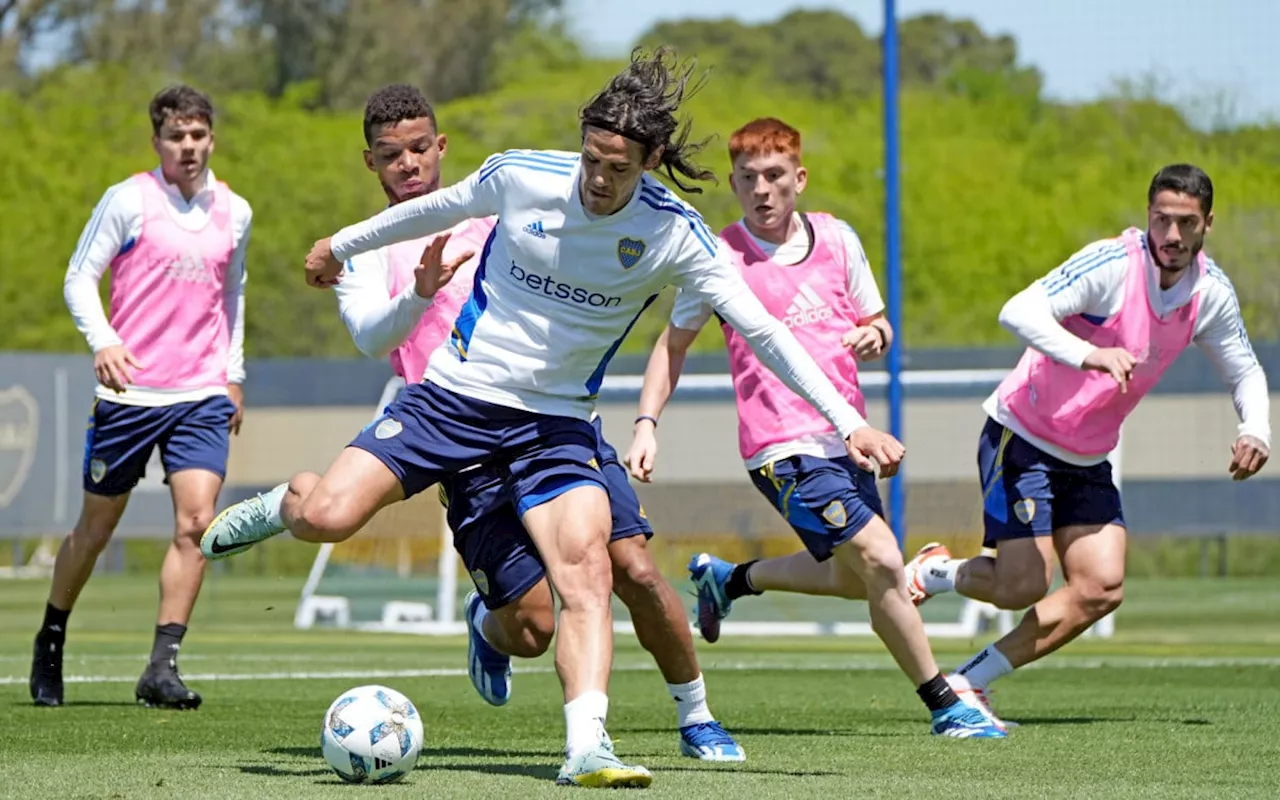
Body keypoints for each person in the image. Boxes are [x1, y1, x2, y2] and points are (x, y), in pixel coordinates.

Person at [202, 47, 902, 788]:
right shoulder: (523, 177)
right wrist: (337, 246)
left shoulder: (677, 234)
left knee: (589, 572)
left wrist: (847, 422)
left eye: (619, 167)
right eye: (592, 159)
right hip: (451, 400)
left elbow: (766, 332)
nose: (599, 180)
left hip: (555, 426)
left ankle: (588, 746)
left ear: (651, 160)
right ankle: (286, 503)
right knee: (330, 517)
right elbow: (440, 206)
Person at [212, 83, 742, 762]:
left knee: (631, 566)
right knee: (529, 629)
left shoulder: (502, 207)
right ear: (370, 163)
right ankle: (299, 509)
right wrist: (419, 292)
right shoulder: (375, 246)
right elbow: (374, 339)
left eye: (417, 148)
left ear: (440, 147)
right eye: (389, 154)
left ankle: (692, 717)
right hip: (450, 423)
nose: (407, 163)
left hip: (551, 421)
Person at [625, 117, 1004, 739]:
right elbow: (673, 346)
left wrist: (875, 335)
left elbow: (876, 321)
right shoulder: (718, 256)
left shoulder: (837, 239)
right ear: (734, 183)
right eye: (748, 179)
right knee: (883, 560)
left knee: (856, 580)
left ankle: (730, 579)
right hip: (780, 447)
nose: (762, 190)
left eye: (775, 176)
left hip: (845, 438)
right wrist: (646, 424)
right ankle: (947, 705)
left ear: (799, 178)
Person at [903, 164, 1271, 725]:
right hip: (1022, 435)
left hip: (1088, 454)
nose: (1171, 236)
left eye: (1186, 224)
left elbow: (1244, 371)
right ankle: (936, 574)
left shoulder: (1210, 294)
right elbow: (1017, 310)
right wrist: (1087, 353)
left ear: (1207, 225)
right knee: (1022, 584)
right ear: (1147, 215)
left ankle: (968, 681)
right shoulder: (1113, 267)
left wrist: (1255, 430)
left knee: (1101, 587)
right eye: (1162, 220)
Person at [30, 85, 251, 709]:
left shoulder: (236, 211)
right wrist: (102, 340)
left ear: (212, 138)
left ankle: (162, 667)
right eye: (177, 136)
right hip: (129, 394)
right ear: (157, 141)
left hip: (201, 392)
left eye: (199, 135)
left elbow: (233, 296)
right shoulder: (127, 201)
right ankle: (51, 637)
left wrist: (232, 374)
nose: (189, 147)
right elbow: (79, 277)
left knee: (197, 523)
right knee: (96, 529)